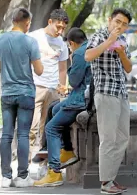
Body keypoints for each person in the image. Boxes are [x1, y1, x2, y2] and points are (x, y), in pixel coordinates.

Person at [0, 8, 43, 188]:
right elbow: (39, 70)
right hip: (26, 93)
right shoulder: (30, 42)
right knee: (22, 134)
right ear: (27, 23)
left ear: (13, 20)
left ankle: (6, 177)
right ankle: (22, 177)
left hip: (7, 93)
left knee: (6, 134)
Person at [34, 28, 91, 187]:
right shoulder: (91, 48)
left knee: (51, 128)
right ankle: (66, 150)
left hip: (80, 100)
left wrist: (72, 60)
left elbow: (73, 80)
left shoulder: (79, 53)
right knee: (54, 108)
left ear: (71, 43)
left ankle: (54, 172)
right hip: (82, 97)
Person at [85, 8, 132, 195]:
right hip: (105, 92)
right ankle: (105, 183)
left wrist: (121, 53)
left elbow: (128, 68)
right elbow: (88, 56)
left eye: (124, 24)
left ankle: (111, 179)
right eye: (117, 22)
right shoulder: (99, 35)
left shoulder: (124, 41)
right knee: (108, 139)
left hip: (121, 93)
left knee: (122, 138)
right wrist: (109, 41)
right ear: (110, 20)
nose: (119, 26)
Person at [28, 9, 69, 159]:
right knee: (32, 126)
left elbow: (62, 68)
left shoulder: (61, 43)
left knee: (48, 127)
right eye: (58, 27)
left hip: (53, 89)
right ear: (50, 22)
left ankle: (44, 159)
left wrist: (62, 88)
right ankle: (28, 160)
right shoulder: (34, 37)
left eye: (63, 28)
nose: (60, 31)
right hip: (35, 86)